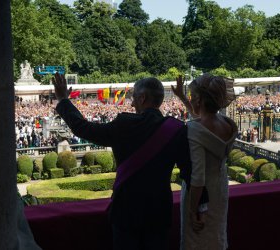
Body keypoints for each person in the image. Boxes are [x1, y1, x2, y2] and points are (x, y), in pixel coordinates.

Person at [52, 73, 207, 250]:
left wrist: (64, 100)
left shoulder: (123, 124)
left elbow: (83, 128)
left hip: (125, 213)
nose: (132, 103)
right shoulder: (176, 129)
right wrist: (200, 208)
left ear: (142, 98)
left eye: (133, 97)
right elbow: (191, 172)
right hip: (158, 213)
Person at [172, 74, 238, 250]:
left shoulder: (195, 129)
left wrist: (194, 210)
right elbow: (201, 117)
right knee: (217, 237)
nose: (191, 99)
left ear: (200, 100)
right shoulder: (228, 124)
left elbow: (198, 177)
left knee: (196, 241)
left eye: (193, 96)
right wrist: (183, 98)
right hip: (220, 189)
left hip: (201, 196)